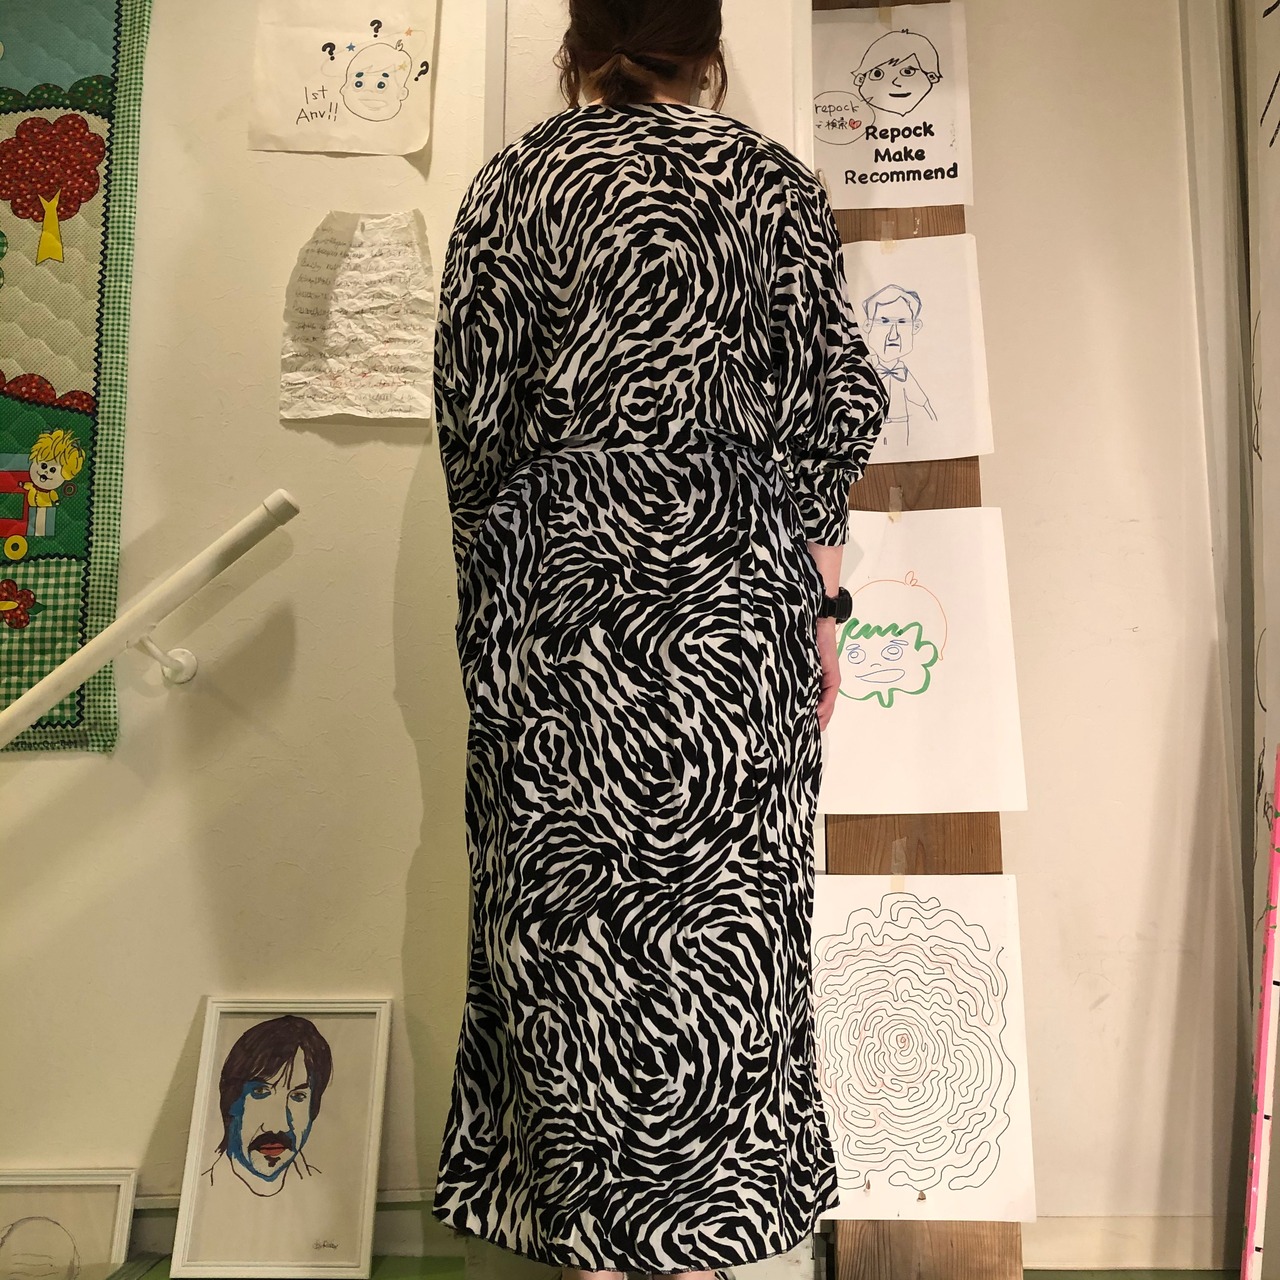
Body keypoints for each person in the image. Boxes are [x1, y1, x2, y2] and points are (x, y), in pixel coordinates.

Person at [430, 4, 889, 1279]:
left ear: (572, 51)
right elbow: (828, 414)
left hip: (558, 612)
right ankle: (700, 1250)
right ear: (709, 57)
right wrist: (822, 609)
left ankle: (589, 1249)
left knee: (564, 938)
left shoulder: (514, 186)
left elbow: (472, 424)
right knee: (722, 939)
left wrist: (504, 604)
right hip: (732, 617)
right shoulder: (771, 185)